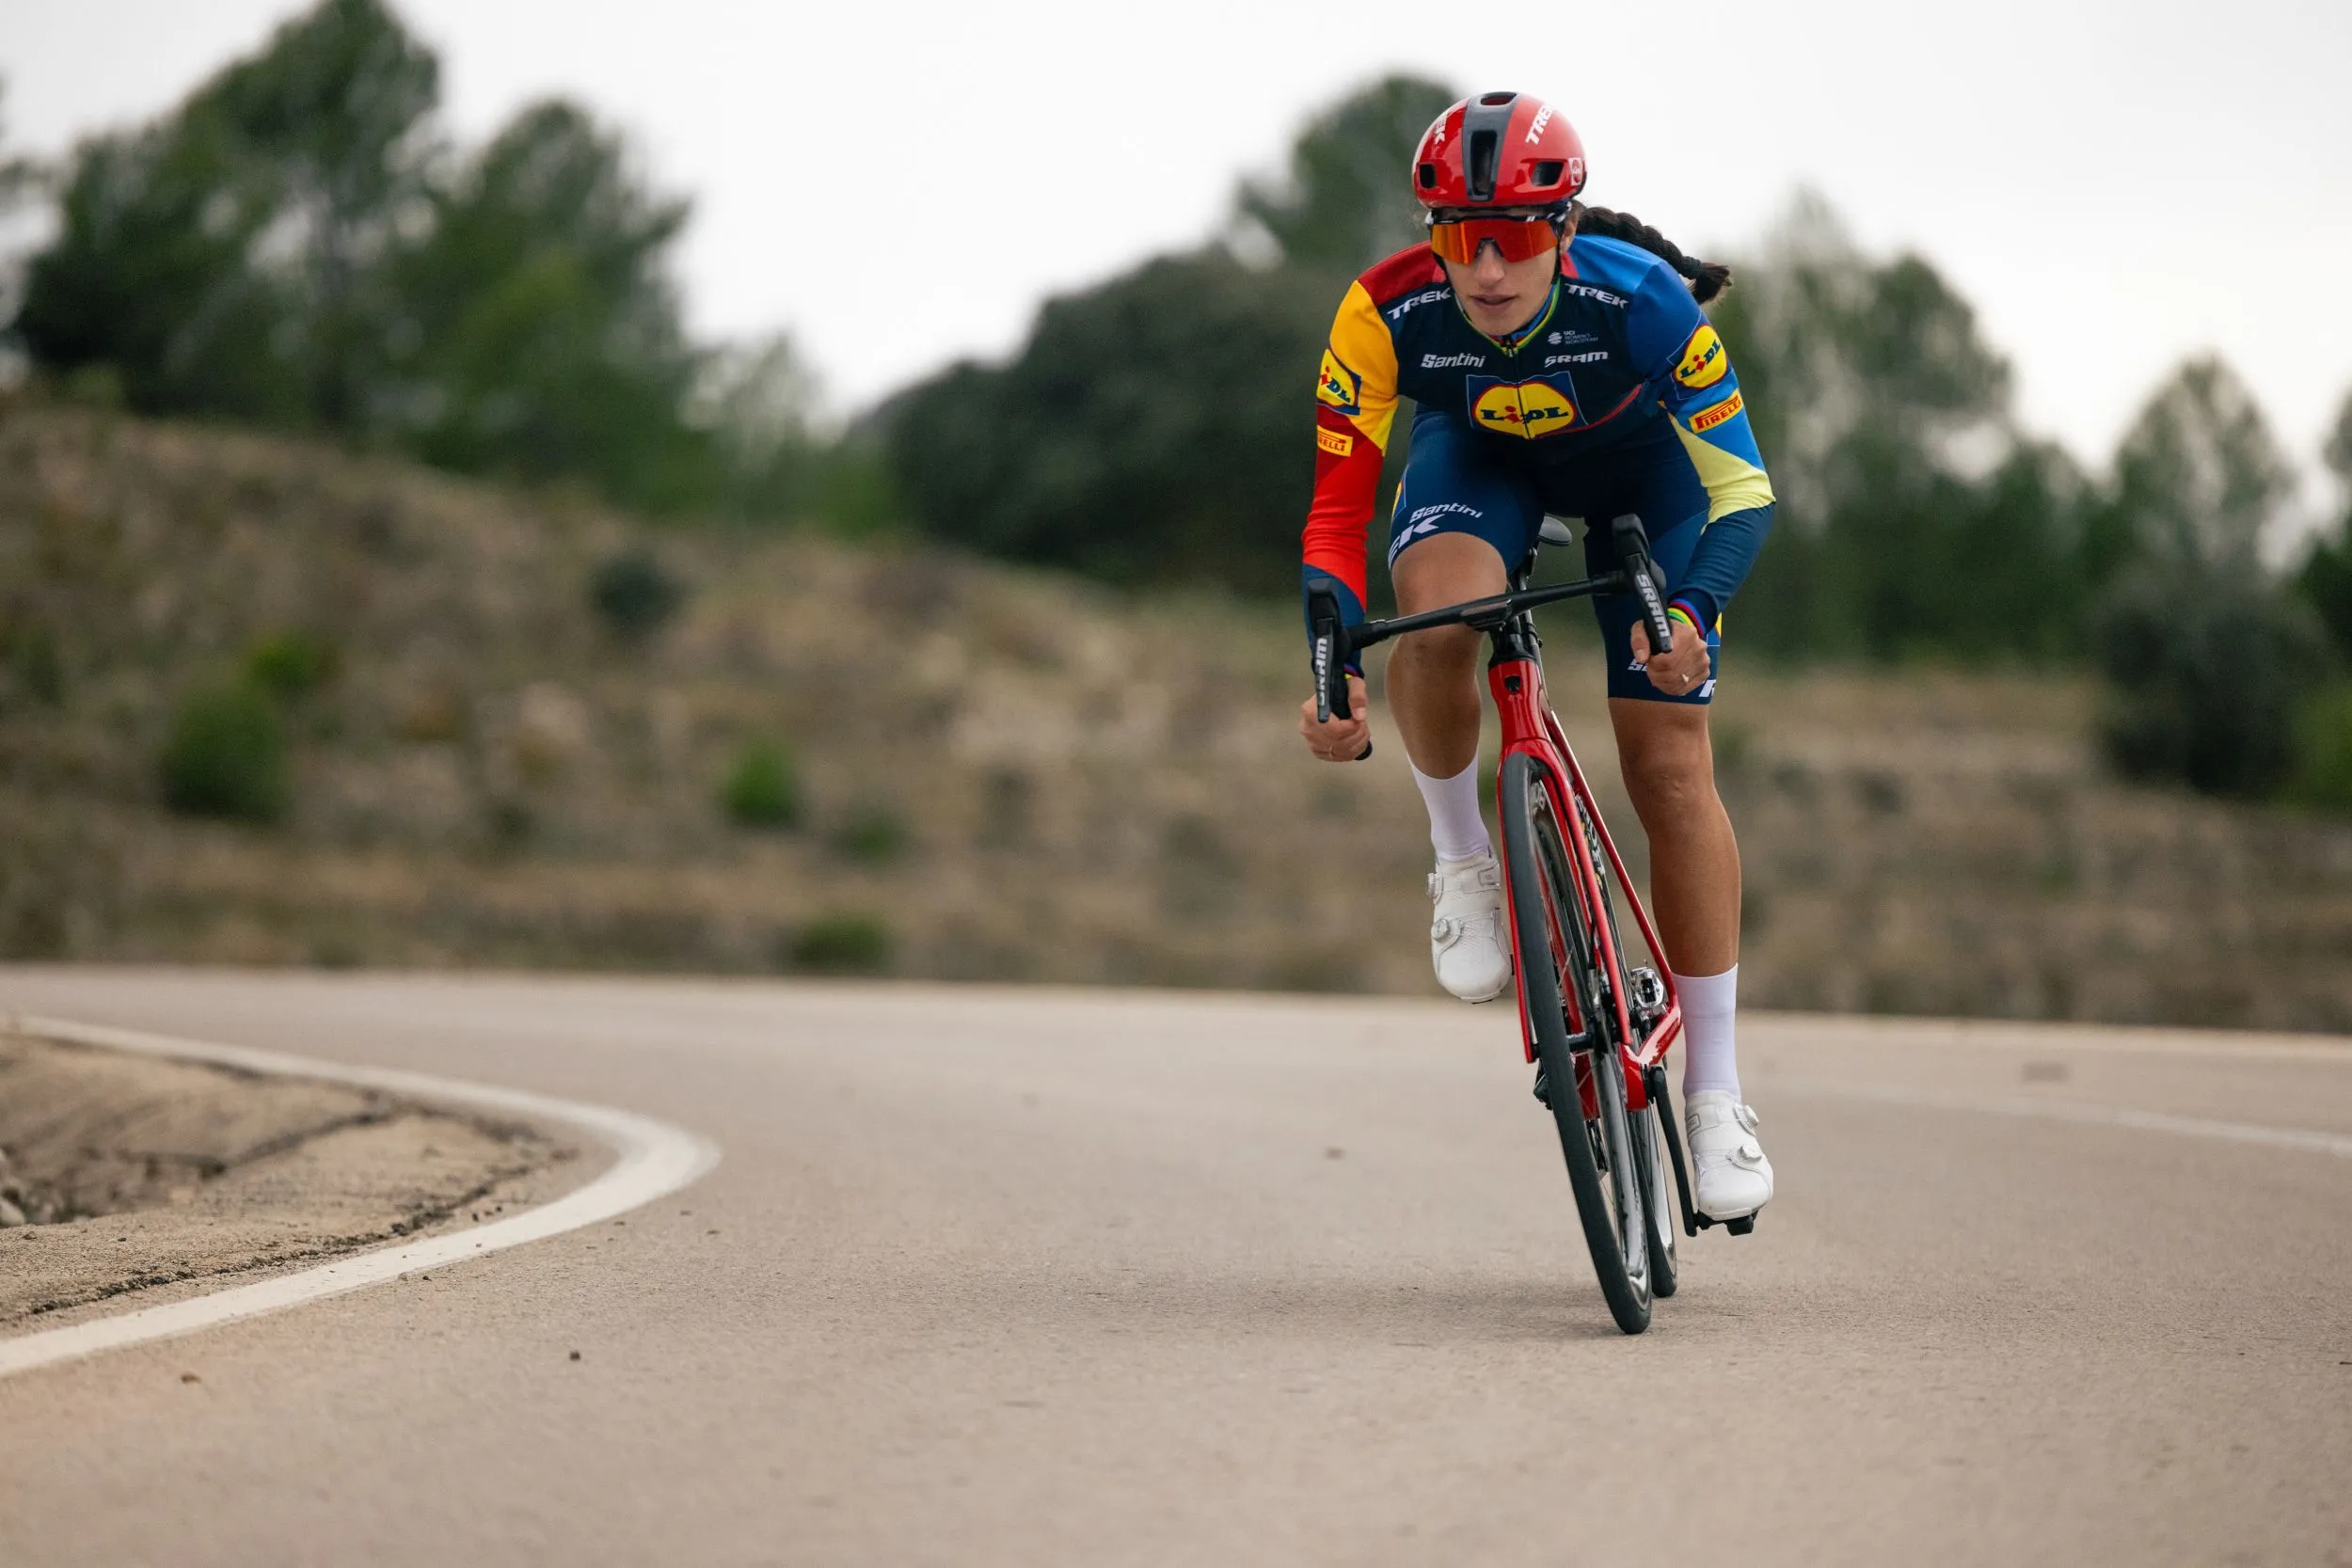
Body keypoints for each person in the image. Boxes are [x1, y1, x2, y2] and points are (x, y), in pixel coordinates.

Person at [1294, 91, 1773, 1221]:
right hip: (1480, 464)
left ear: (1562, 229)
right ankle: (1463, 857)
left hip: (1644, 481)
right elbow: (1334, 519)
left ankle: (1714, 1094)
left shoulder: (1641, 302)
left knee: (1668, 766)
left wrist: (1693, 610)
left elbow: (1742, 490)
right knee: (1434, 614)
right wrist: (1329, 667)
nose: (1487, 267)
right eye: (1461, 237)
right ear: (1434, 235)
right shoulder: (1382, 312)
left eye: (1512, 237)